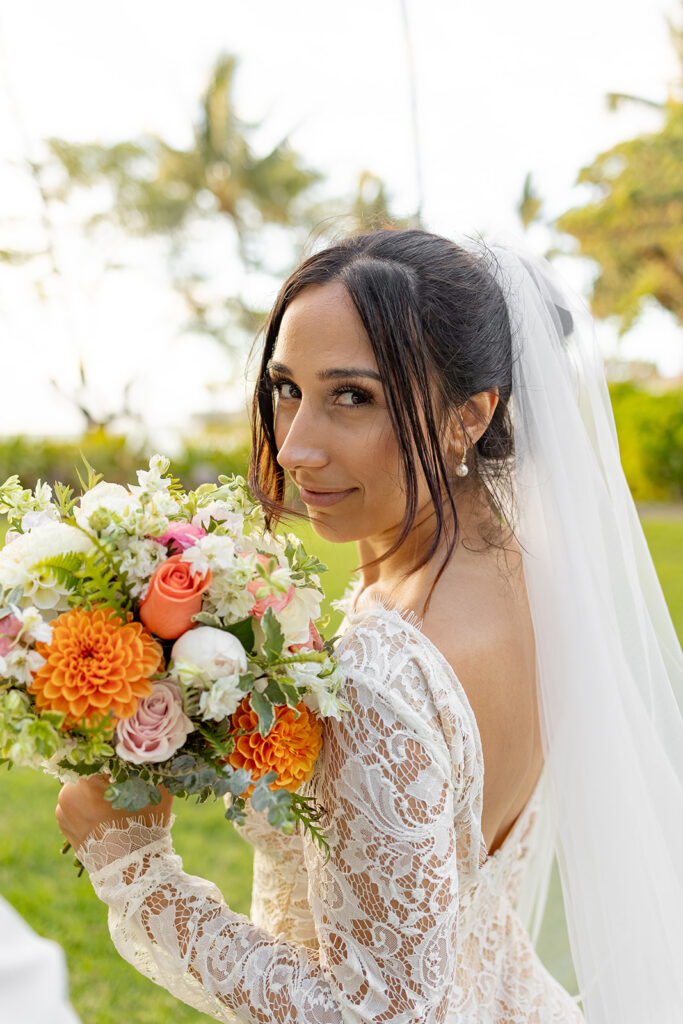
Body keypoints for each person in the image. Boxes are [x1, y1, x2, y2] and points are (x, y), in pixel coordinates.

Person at [56, 229, 683, 1023]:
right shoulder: (532, 571)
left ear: (469, 415)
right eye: (287, 388)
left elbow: (375, 1016)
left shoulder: (383, 674)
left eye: (352, 397)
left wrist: (136, 870)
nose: (295, 447)